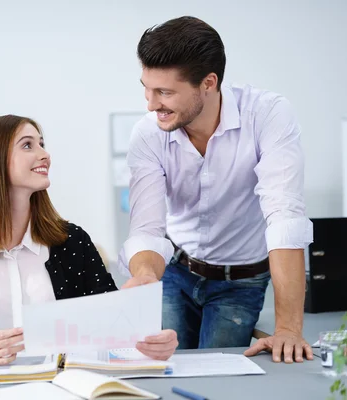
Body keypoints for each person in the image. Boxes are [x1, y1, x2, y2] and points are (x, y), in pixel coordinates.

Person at [0, 115, 178, 367]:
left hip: (63, 386)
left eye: (42, 144)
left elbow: (115, 328)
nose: (44, 154)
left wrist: (151, 342)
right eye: (27, 145)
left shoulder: (73, 242)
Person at [118, 16, 314, 364]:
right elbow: (147, 228)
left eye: (164, 92)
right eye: (147, 88)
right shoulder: (148, 134)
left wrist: (287, 328)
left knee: (219, 372)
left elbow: (284, 218)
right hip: (176, 271)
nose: (150, 104)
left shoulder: (267, 115)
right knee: (161, 366)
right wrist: (146, 276)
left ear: (209, 83)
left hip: (241, 281)